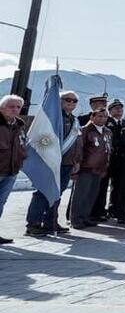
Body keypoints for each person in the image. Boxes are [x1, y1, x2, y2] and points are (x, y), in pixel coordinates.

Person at [26, 90, 80, 237]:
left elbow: (76, 143)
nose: (71, 103)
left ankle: (50, 222)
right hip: (51, 162)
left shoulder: (74, 120)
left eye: (74, 101)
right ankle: (33, 224)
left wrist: (76, 161)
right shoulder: (51, 118)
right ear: (59, 101)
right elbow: (42, 139)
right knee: (42, 192)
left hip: (66, 163)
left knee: (57, 194)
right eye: (67, 99)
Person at [69, 108, 112, 229]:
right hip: (86, 168)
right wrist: (76, 164)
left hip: (99, 168)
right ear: (92, 117)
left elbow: (108, 150)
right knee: (81, 195)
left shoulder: (108, 132)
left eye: (104, 117)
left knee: (92, 195)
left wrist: (105, 166)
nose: (102, 119)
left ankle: (85, 217)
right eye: (99, 116)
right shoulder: (85, 130)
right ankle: (76, 220)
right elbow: (79, 149)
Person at [0, 94, 27, 244]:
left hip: (10, 171)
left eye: (18, 107)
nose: (15, 110)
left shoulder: (19, 125)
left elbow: (23, 145)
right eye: (11, 106)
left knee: (0, 204)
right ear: (2, 108)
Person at [92, 97, 125, 221]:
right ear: (110, 110)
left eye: (121, 108)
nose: (119, 110)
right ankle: (99, 211)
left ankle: (114, 209)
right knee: (102, 186)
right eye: (116, 108)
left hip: (120, 161)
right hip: (106, 159)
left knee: (118, 187)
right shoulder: (106, 121)